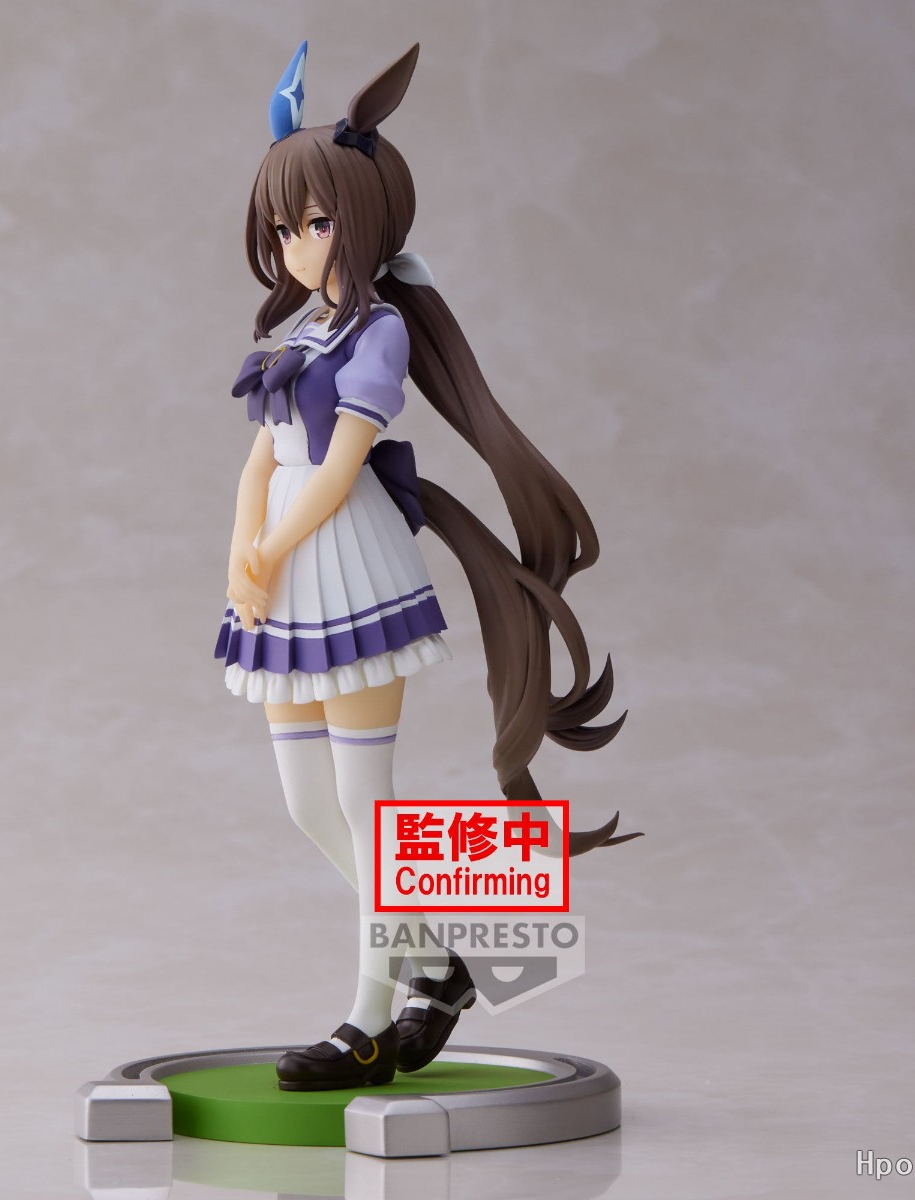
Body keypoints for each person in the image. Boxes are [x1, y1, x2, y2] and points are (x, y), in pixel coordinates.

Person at [215, 42, 636, 1092]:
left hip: (347, 565)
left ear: (362, 218)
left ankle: (366, 1023)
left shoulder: (380, 332)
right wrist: (241, 554)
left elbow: (336, 469)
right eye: (284, 228)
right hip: (282, 575)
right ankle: (439, 960)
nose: (298, 246)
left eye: (315, 223)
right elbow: (263, 459)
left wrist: (273, 545)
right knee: (306, 803)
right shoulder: (303, 330)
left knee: (365, 805)